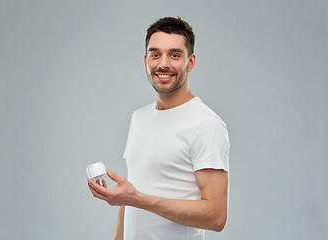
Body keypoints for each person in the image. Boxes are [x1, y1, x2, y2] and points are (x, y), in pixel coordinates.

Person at [87, 17, 230, 240]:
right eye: (155, 54)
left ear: (190, 62)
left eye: (174, 55)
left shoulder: (205, 124)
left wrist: (137, 199)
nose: (163, 64)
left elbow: (216, 216)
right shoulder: (139, 117)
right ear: (146, 60)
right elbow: (130, 197)